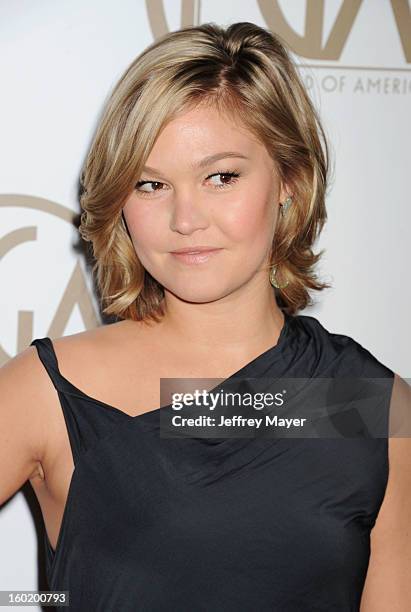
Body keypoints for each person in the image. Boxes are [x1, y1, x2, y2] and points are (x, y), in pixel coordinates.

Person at [1, 21, 410, 611]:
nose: (185, 218)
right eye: (150, 184)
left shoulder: (367, 405)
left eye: (221, 176)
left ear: (289, 181)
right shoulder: (50, 389)